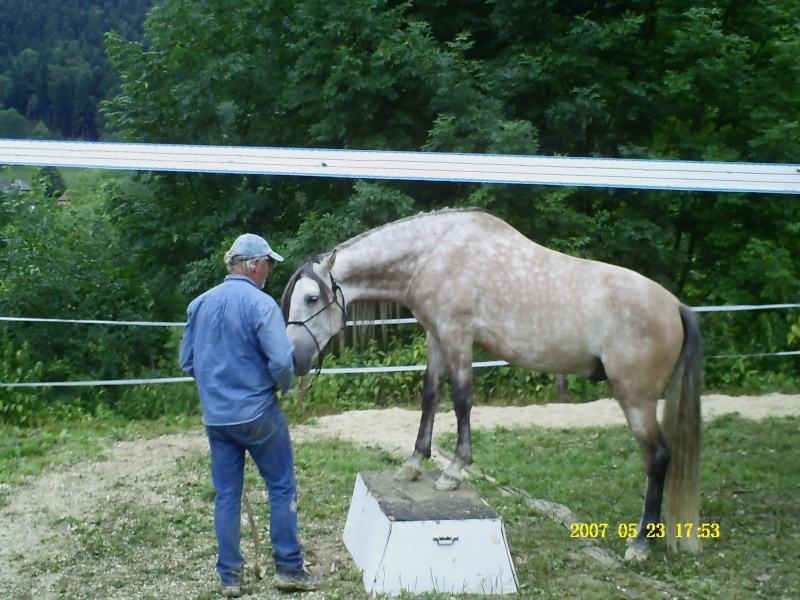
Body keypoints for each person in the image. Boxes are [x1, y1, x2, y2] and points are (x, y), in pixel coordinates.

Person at [179, 233, 323, 596]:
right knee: (281, 486)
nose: (270, 271)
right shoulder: (261, 305)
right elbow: (280, 361)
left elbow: (187, 362)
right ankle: (288, 568)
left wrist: (217, 387)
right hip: (259, 414)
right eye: (268, 264)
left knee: (226, 495)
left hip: (217, 419)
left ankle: (230, 578)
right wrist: (284, 385)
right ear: (253, 264)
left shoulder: (200, 304)